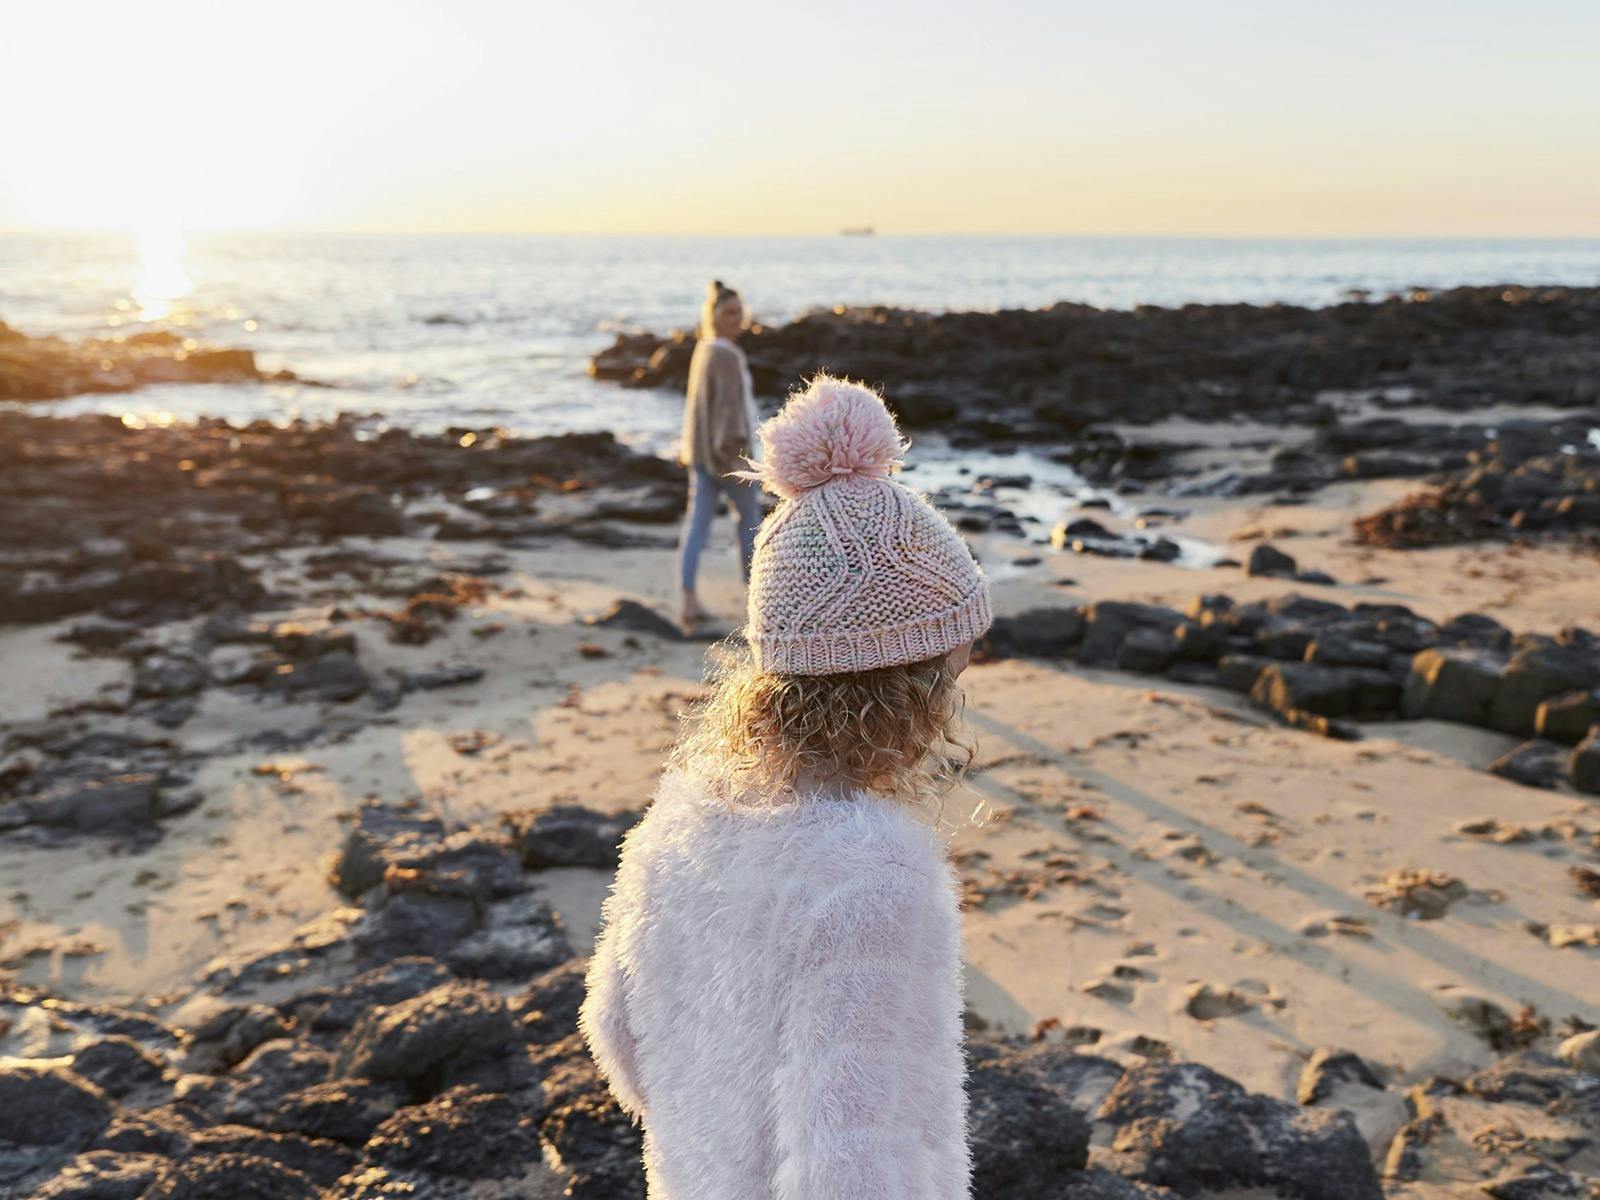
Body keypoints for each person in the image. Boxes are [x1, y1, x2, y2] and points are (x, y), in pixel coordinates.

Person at [579, 374, 991, 1199]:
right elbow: (856, 1168)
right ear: (912, 687)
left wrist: (709, 1122)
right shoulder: (876, 878)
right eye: (954, 658)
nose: (962, 677)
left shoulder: (685, 817)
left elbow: (616, 1036)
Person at [677, 279, 762, 633]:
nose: (737, 318)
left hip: (699, 451)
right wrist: (739, 460)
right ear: (713, 315)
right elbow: (730, 415)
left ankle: (688, 599)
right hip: (728, 456)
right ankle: (756, 603)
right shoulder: (726, 355)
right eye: (729, 312)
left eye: (740, 311)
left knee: (698, 523)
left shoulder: (704, 348)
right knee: (749, 523)